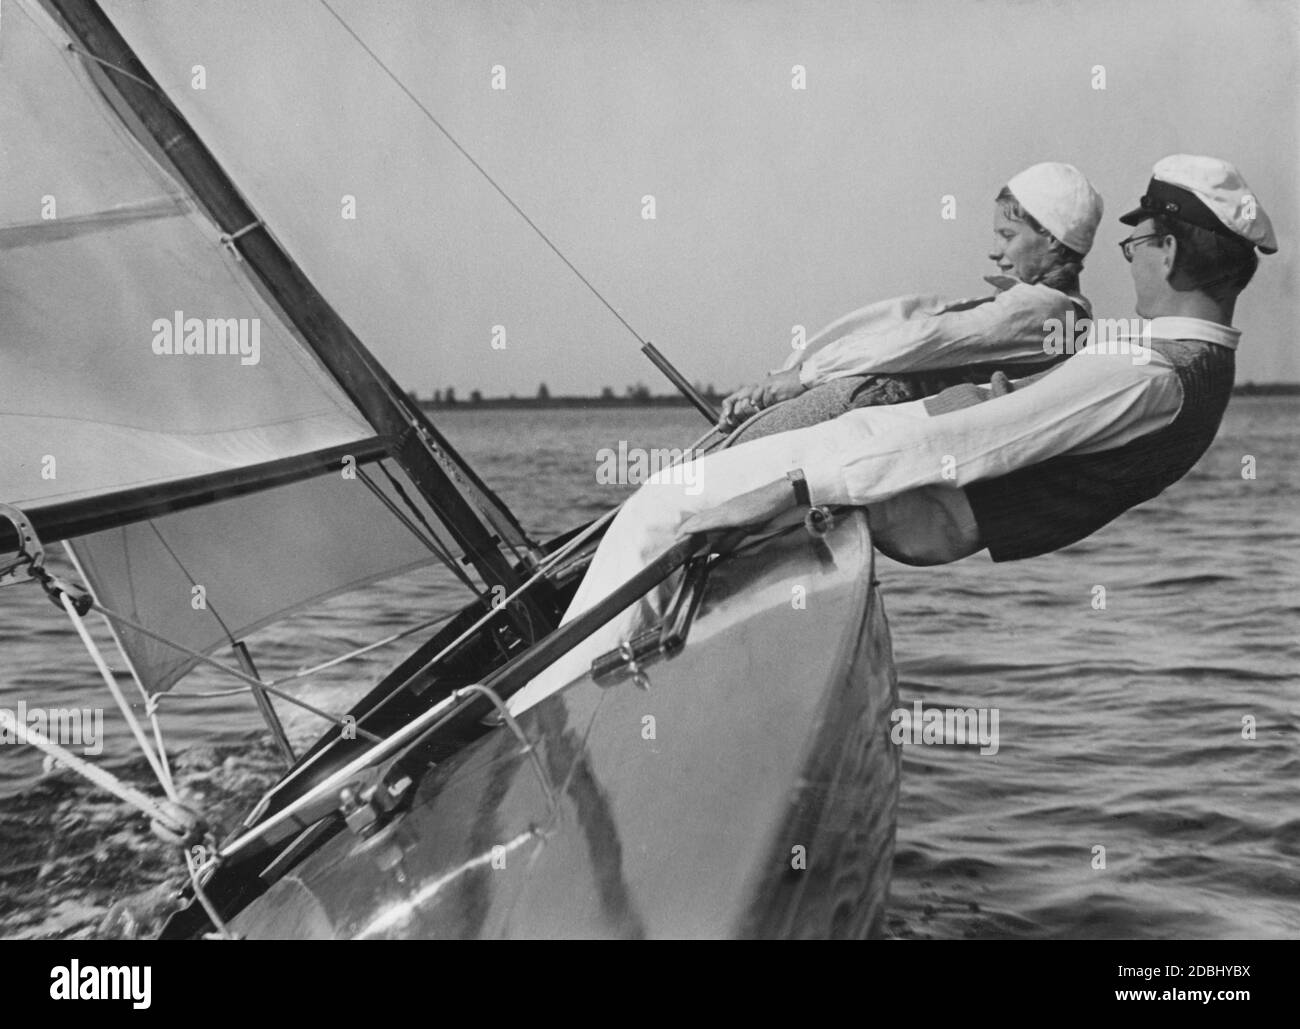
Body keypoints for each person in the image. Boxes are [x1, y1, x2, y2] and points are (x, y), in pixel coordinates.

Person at [507, 155, 1275, 715]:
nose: (1131, 259)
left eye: (1137, 245)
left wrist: (805, 482)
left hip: (910, 481)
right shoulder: (1195, 372)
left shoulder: (1150, 370)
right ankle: (601, 657)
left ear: (1169, 250)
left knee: (661, 507)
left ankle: (546, 710)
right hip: (910, 473)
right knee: (687, 517)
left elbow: (979, 441)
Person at [718, 162, 1103, 443]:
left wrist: (804, 377)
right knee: (725, 457)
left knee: (718, 467)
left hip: (862, 410)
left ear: (1052, 238)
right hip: (865, 409)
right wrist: (790, 376)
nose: (995, 251)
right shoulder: (1044, 310)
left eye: (1007, 235)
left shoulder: (1048, 312)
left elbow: (928, 338)